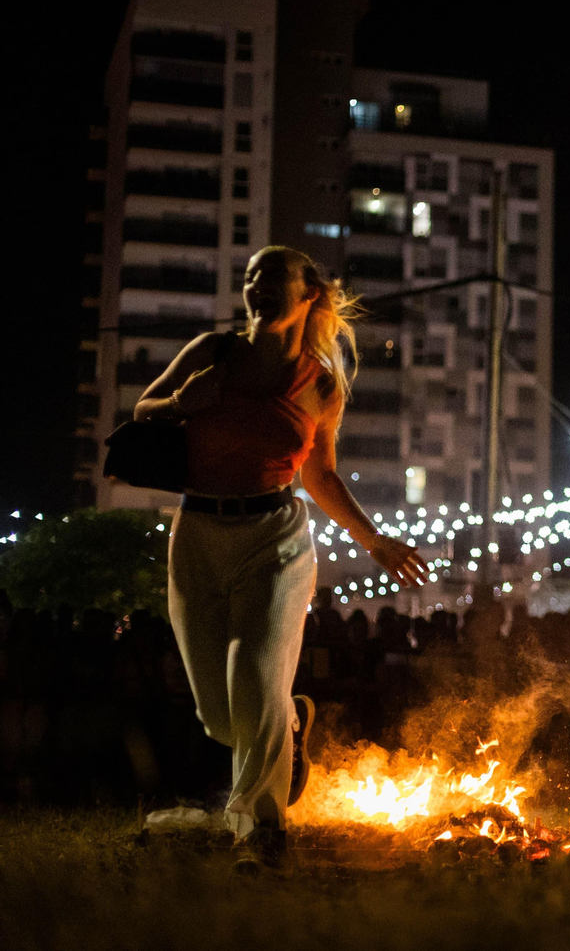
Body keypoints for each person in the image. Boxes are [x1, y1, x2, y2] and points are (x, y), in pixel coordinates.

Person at [134, 246, 428, 870]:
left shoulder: (321, 383)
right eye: (249, 279)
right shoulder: (212, 353)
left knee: (256, 675)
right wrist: (184, 402)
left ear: (308, 293)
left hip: (276, 538)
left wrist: (374, 540)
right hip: (197, 533)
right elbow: (142, 412)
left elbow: (321, 475)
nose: (256, 288)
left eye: (271, 278)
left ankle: (260, 833)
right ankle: (290, 724)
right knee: (221, 715)